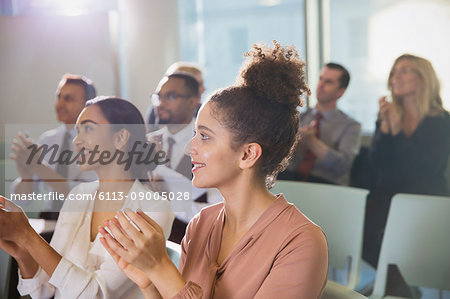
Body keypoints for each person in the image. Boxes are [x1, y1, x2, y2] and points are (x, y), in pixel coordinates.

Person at [99, 42, 329, 298]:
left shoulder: (300, 242)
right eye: (195, 134)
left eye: (205, 137)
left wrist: (162, 269)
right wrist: (149, 283)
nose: (189, 148)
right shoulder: (201, 224)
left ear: (247, 154)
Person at [0, 97, 174, 298]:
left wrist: (28, 237)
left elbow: (96, 294)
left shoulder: (153, 208)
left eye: (88, 129)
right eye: (77, 131)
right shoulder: (79, 196)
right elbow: (45, 289)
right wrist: (23, 255)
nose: (77, 141)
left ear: (120, 138)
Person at [363, 54, 450, 268]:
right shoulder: (389, 114)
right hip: (389, 195)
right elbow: (375, 164)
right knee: (356, 226)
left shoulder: (441, 121)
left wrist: (398, 132)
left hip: (425, 197)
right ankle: (397, 284)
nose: (396, 77)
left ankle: (402, 283)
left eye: (405, 70)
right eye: (394, 72)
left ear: (423, 78)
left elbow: (423, 168)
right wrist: (385, 127)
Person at [10, 74, 98, 215]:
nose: (59, 104)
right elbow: (23, 199)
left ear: (88, 104)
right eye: (59, 97)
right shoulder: (47, 139)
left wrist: (38, 166)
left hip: (84, 218)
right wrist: (26, 176)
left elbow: (81, 195)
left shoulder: (98, 141)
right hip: (50, 218)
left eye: (68, 98)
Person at [147, 71, 218, 244]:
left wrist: (169, 202)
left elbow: (219, 213)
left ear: (193, 101)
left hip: (192, 248)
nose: (161, 103)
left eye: (170, 96)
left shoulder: (210, 146)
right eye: (158, 96)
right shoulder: (146, 144)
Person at [280, 63, 361, 185]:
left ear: (341, 92)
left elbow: (343, 166)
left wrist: (311, 141)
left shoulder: (350, 126)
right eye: (320, 79)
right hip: (292, 180)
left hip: (327, 186)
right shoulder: (299, 117)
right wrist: (294, 139)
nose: (320, 85)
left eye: (328, 82)